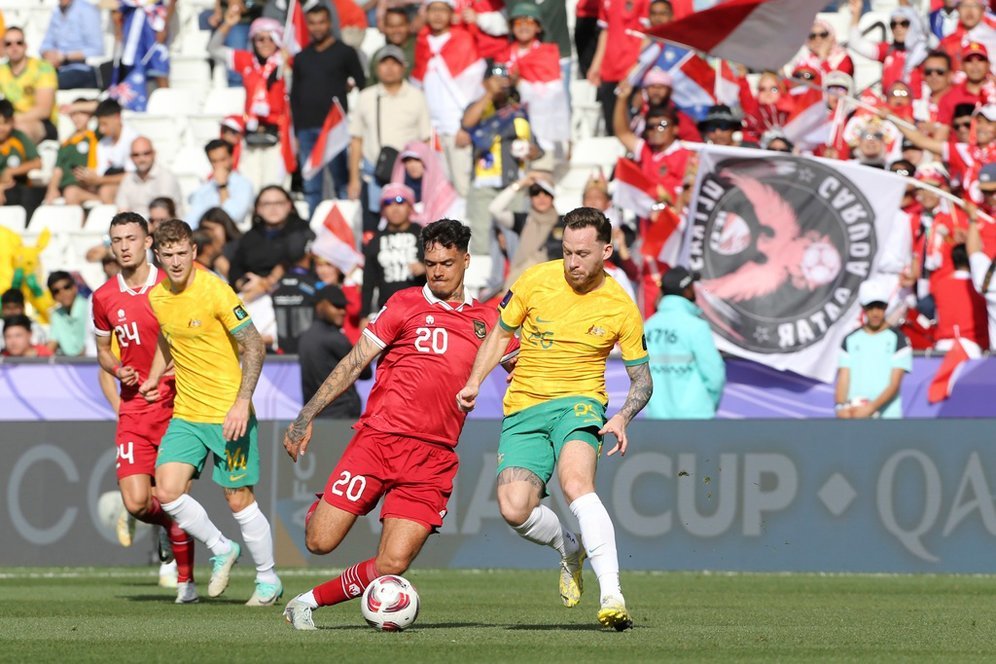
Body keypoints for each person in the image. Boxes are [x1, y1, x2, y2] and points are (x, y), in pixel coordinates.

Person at [281, 218, 516, 630]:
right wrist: (306, 415)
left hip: (433, 458)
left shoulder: (487, 322)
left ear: (466, 260)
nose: (438, 271)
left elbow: (525, 372)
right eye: (430, 263)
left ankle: (307, 603)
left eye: (446, 262)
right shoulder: (404, 304)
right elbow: (355, 362)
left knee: (393, 563)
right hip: (379, 441)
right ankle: (322, 509)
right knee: (319, 541)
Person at [456, 206, 652, 630]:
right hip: (524, 407)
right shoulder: (534, 280)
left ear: (606, 250)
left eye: (582, 253)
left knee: (576, 484)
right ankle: (569, 547)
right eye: (566, 252)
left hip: (579, 403)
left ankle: (612, 595)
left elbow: (642, 381)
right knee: (513, 508)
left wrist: (621, 416)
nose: (573, 262)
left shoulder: (620, 306)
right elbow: (501, 334)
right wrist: (475, 380)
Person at [140, 218, 282, 606]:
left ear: (194, 252)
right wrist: (155, 376)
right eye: (167, 255)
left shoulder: (216, 291)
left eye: (182, 253)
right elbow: (167, 338)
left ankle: (268, 578)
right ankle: (222, 547)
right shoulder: (158, 297)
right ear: (158, 255)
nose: (175, 261)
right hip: (186, 412)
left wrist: (241, 402)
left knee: (237, 499)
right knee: (166, 491)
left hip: (228, 413)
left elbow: (254, 345)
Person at [91, 212, 196, 603]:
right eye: (116, 239)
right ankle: (174, 526)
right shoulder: (103, 297)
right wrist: (118, 368)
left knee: (172, 494)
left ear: (148, 242)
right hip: (135, 408)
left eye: (131, 238)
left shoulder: (171, 286)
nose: (123, 246)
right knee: (137, 503)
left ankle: (186, 585)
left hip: (176, 403)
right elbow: (102, 352)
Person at [291, 3, 365, 214]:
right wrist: (296, 132)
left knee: (341, 182)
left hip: (335, 129)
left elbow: (363, 85)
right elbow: (295, 96)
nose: (317, 27)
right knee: (312, 186)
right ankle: (314, 231)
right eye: (312, 23)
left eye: (321, 22)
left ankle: (346, 224)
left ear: (330, 23)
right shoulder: (301, 57)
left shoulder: (346, 52)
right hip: (306, 130)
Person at [348, 45, 431, 231]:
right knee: (372, 228)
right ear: (377, 68)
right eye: (384, 63)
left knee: (407, 227)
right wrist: (354, 179)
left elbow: (425, 139)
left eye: (395, 63)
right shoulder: (366, 97)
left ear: (403, 67)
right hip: (374, 175)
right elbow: (356, 140)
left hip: (407, 176)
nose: (390, 68)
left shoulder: (417, 97)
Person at [210, 9, 293, 192]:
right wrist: (228, 24)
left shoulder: (285, 62)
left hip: (277, 136)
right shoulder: (247, 60)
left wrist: (288, 70)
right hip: (251, 135)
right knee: (250, 188)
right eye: (260, 39)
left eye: (270, 38)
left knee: (275, 188)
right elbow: (213, 49)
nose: (265, 44)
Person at [643, 267, 725, 419]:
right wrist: (709, 405)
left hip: (657, 418)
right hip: (695, 419)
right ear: (687, 290)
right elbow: (715, 375)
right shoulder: (696, 327)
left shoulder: (648, 327)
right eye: (692, 286)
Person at [835, 281, 912, 419]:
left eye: (880, 307)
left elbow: (894, 385)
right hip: (855, 417)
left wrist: (870, 408)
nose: (876, 312)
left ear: (886, 306)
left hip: (887, 418)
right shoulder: (850, 339)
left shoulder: (899, 340)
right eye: (870, 307)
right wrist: (841, 407)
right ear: (863, 308)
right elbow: (844, 378)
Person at [296, 284, 371, 419]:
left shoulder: (304, 338)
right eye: (336, 306)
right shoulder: (335, 338)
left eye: (343, 307)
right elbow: (366, 373)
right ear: (320, 306)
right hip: (341, 416)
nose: (342, 311)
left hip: (314, 417)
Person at [228, 185, 314, 298]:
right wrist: (243, 283)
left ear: (289, 206)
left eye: (278, 203)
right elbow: (235, 269)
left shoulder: (303, 231)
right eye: (267, 204)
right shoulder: (250, 237)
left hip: (293, 294)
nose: (273, 208)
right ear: (258, 209)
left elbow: (295, 258)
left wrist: (266, 282)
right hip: (254, 295)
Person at [359, 183, 426, 321]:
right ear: (383, 209)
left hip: (421, 311)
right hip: (388, 314)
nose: (394, 208)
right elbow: (368, 281)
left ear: (410, 206)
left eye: (400, 201)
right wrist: (364, 315)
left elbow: (446, 266)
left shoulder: (425, 235)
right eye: (388, 202)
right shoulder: (375, 240)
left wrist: (426, 268)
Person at [0, 27, 58, 143]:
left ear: (26, 45)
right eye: (8, 44)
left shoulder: (43, 68)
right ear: (3, 48)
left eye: (19, 43)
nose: (14, 47)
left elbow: (43, 110)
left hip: (43, 123)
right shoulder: (2, 71)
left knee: (19, 130)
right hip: (9, 120)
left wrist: (9, 121)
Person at [186, 139, 255, 229]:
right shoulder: (205, 188)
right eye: (214, 161)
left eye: (223, 160)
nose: (219, 165)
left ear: (232, 158)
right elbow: (192, 219)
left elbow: (233, 217)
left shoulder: (244, 185)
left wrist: (223, 186)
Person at [43, 99, 99, 205]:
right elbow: (57, 170)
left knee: (71, 192)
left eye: (82, 113)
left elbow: (100, 106)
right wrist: (52, 189)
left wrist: (73, 107)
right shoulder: (66, 144)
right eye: (73, 114)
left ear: (90, 116)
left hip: (90, 186)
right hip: (67, 187)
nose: (77, 118)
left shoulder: (95, 136)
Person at [39, 0, 105, 89]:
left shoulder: (87, 10)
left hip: (81, 69)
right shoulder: (57, 11)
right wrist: (48, 54)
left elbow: (97, 49)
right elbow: (46, 44)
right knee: (30, 77)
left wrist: (65, 57)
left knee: (47, 83)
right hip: (55, 67)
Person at [115, 137, 184, 218]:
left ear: (154, 153)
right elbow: (122, 212)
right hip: (136, 227)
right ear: (131, 157)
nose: (141, 159)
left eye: (146, 153)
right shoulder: (128, 179)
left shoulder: (166, 178)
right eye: (136, 155)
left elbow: (162, 216)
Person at [0, 99, 42, 215]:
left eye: (5, 123)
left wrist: (11, 171)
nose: (1, 128)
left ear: (12, 122)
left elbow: (37, 163)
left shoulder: (19, 138)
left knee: (27, 195)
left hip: (17, 187)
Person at [46, 271, 88, 356]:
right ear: (52, 296)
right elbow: (51, 346)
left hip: (94, 363)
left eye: (66, 287)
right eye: (56, 291)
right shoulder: (56, 315)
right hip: (71, 364)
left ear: (75, 288)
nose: (62, 293)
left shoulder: (89, 308)